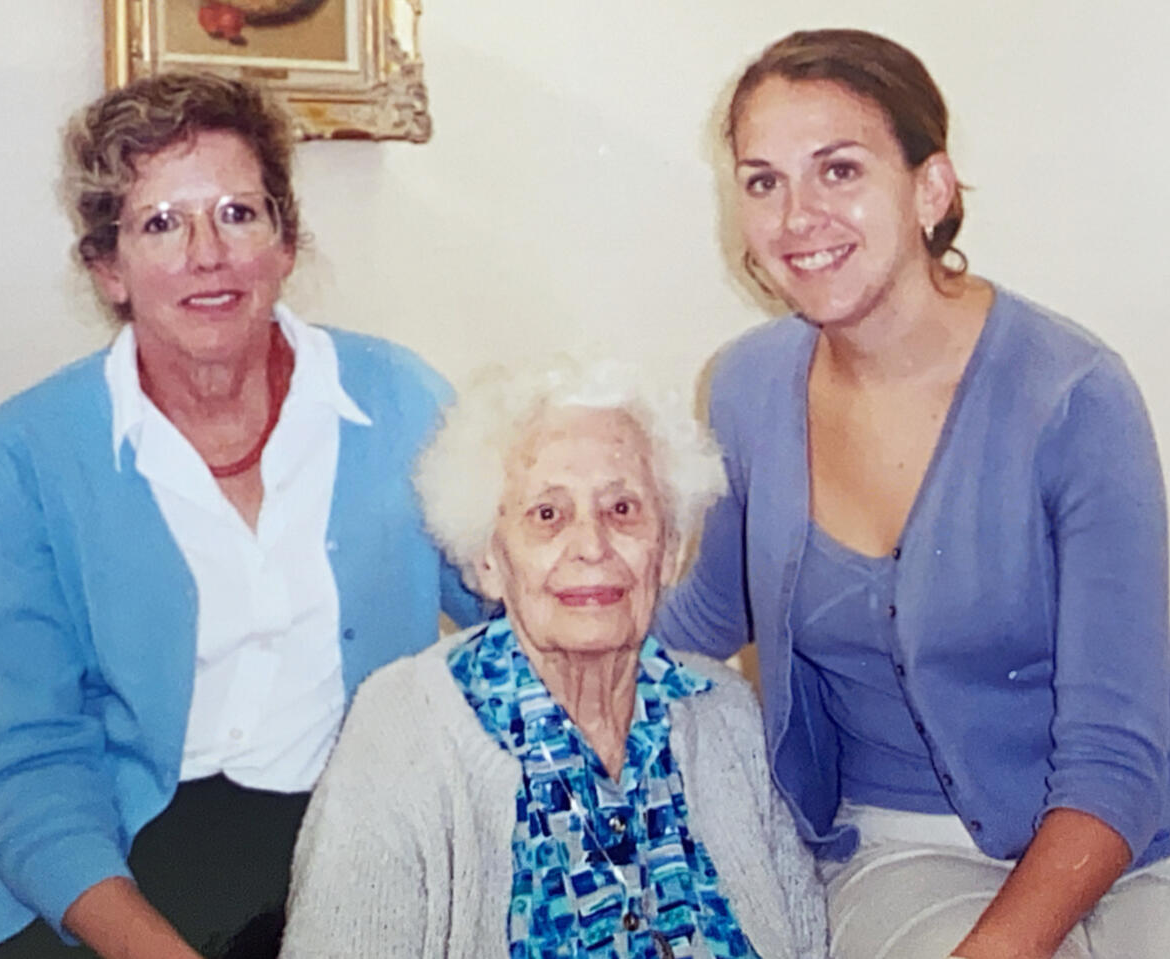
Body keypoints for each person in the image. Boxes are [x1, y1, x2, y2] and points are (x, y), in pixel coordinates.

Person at [654, 29, 1170, 959]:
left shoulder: (1074, 393)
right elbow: (710, 612)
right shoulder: (747, 387)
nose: (798, 215)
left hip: (1157, 834)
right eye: (764, 181)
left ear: (931, 189)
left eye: (838, 170)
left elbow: (1114, 760)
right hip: (906, 847)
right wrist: (521, 634)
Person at [0, 72, 480, 959]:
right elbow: (34, 750)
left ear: (286, 241)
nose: (208, 253)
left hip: (332, 821)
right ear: (108, 267)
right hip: (89, 828)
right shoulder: (26, 450)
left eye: (239, 213)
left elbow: (519, 604)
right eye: (161, 223)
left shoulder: (403, 401)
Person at [281, 358, 828, 958]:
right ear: (488, 558)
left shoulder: (725, 714)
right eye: (548, 515)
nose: (591, 547)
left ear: (669, 550)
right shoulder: (403, 730)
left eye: (623, 510)